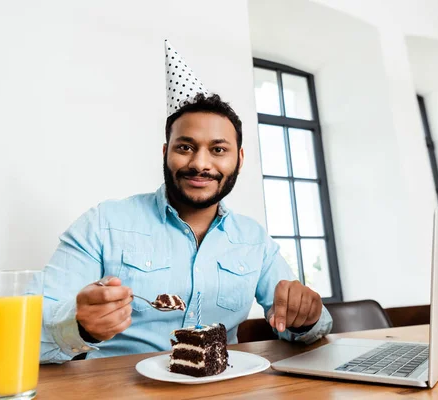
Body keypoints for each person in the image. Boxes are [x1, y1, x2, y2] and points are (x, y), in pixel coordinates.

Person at [40, 41, 332, 364]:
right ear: (165, 152)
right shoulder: (103, 224)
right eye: (185, 147)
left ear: (240, 159)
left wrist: (307, 315)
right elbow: (31, 330)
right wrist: (78, 326)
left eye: (218, 150)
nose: (200, 164)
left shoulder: (254, 242)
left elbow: (306, 326)